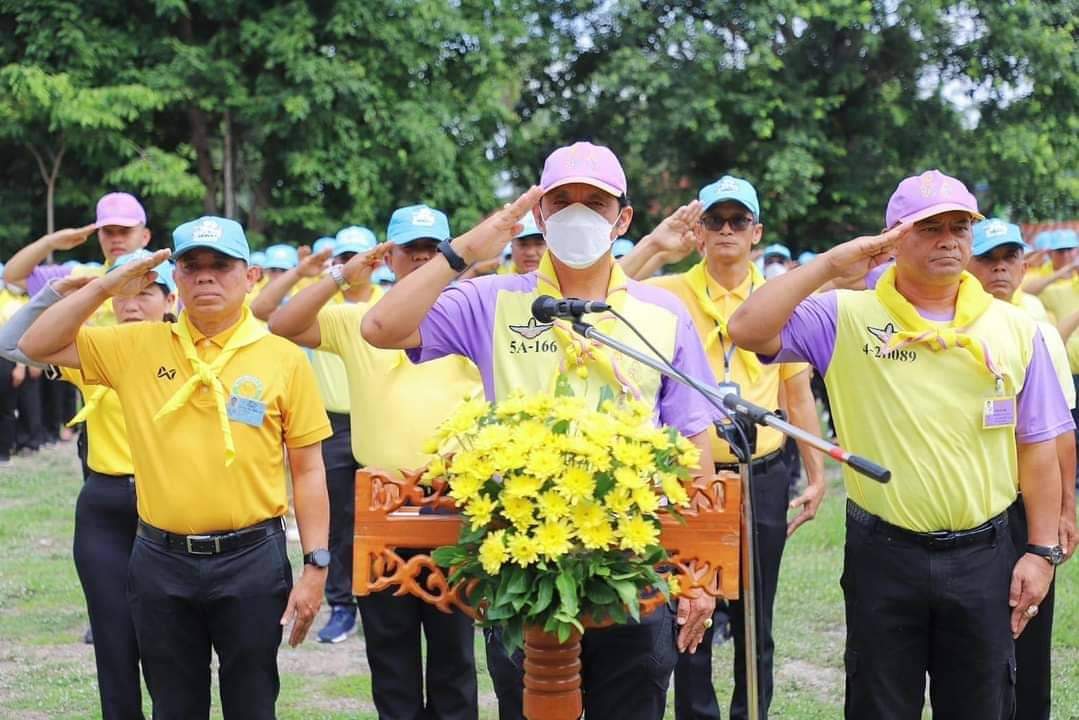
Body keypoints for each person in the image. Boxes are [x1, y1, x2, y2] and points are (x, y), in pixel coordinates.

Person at [360, 141, 719, 720]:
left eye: (595, 202)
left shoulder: (659, 314)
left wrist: (698, 571)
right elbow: (380, 327)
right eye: (562, 201)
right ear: (540, 214)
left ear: (623, 218)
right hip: (522, 569)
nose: (578, 213)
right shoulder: (492, 301)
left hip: (635, 567)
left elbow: (694, 442)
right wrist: (469, 249)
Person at [728, 169, 1071, 719]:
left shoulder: (1016, 328)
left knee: (983, 705)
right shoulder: (845, 315)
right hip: (883, 556)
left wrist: (1040, 551)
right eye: (929, 227)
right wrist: (832, 267)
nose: (948, 239)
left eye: (960, 226)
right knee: (879, 705)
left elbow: (1038, 449)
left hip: (985, 556)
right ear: (892, 239)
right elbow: (746, 328)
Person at [18, 216, 333, 720]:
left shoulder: (281, 357)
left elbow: (309, 468)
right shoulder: (136, 345)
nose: (206, 276)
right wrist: (106, 285)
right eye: (192, 266)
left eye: (221, 265)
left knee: (252, 704)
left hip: (252, 558)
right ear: (177, 279)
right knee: (174, 705)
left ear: (250, 276)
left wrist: (317, 565)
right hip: (161, 560)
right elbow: (34, 344)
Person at [270, 204, 482, 719]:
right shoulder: (360, 319)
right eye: (412, 251)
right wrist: (342, 276)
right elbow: (280, 323)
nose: (424, 260)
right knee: (390, 655)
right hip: (382, 505)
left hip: (453, 501)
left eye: (435, 251)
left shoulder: (477, 313)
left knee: (454, 656)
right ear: (390, 255)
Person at [644, 175, 825, 720]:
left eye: (737, 221)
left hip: (762, 470)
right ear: (697, 232)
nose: (726, 230)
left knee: (754, 614)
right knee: (690, 605)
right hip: (691, 472)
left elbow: (796, 390)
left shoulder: (778, 298)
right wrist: (655, 246)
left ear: (756, 233)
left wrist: (815, 474)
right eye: (715, 221)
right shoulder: (670, 291)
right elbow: (601, 293)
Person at [0, 251, 177, 719]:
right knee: (113, 643)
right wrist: (55, 294)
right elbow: (12, 344)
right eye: (125, 292)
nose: (133, 303)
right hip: (104, 504)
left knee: (166, 646)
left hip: (166, 507)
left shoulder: (187, 351)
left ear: (169, 298)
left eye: (147, 292)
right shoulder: (97, 348)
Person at [966, 218, 1077, 720]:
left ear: (1024, 263)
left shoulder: (1039, 331)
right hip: (968, 507)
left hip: (1026, 503)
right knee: (974, 646)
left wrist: (1065, 508)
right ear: (970, 264)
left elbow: (1060, 430)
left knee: (1030, 634)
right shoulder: (953, 325)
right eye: (989, 259)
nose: (1000, 269)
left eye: (1009, 258)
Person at [250, 227, 379, 645]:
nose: (353, 262)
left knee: (380, 519)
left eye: (359, 255)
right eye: (344, 256)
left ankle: (379, 600)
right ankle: (342, 605)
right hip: (332, 423)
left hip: (378, 418)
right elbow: (265, 309)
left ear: (376, 259)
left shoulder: (389, 303)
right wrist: (306, 272)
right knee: (336, 520)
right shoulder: (321, 303)